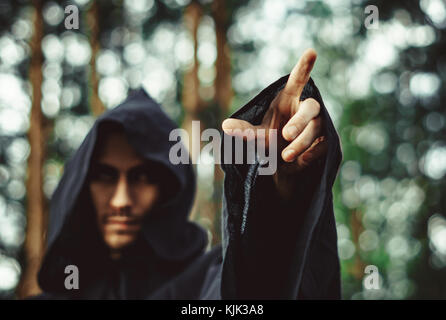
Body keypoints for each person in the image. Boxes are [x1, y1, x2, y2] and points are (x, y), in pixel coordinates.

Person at [34, 49, 342, 299]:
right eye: (106, 176)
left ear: (169, 188)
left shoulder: (205, 284)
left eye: (141, 177)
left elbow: (254, 288)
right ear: (81, 183)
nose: (121, 201)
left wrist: (276, 193)